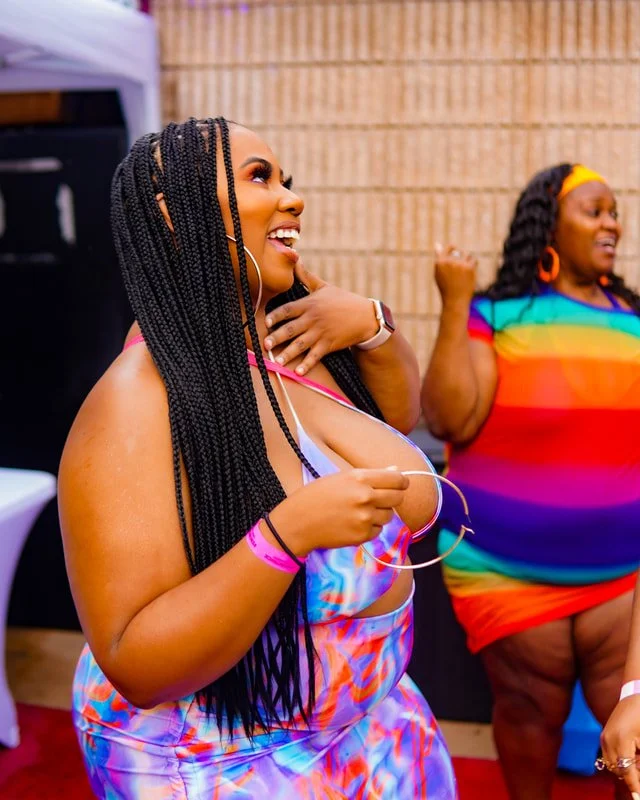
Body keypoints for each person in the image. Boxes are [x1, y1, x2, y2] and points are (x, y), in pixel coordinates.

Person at [58, 117, 457, 798]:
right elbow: (136, 663)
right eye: (259, 177)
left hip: (367, 731)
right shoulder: (139, 399)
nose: (293, 198)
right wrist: (285, 535)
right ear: (174, 214)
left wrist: (372, 323)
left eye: (287, 179)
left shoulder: (286, 335)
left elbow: (396, 420)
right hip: (227, 762)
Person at [421, 163, 640, 799]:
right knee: (527, 715)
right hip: (505, 573)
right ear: (548, 224)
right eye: (594, 210)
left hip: (623, 577)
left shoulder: (635, 320)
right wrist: (456, 302)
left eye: (615, 212)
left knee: (626, 729)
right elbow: (447, 417)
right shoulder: (498, 314)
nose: (612, 224)